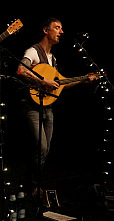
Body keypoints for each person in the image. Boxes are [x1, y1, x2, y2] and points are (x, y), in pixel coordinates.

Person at [16, 17, 96, 196]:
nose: (61, 32)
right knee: (41, 148)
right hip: (32, 106)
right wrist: (42, 81)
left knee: (45, 150)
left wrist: (84, 79)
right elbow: (21, 70)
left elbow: (61, 83)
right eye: (57, 28)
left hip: (47, 108)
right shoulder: (33, 51)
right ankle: (31, 184)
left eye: (61, 28)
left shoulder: (53, 59)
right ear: (46, 30)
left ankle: (32, 185)